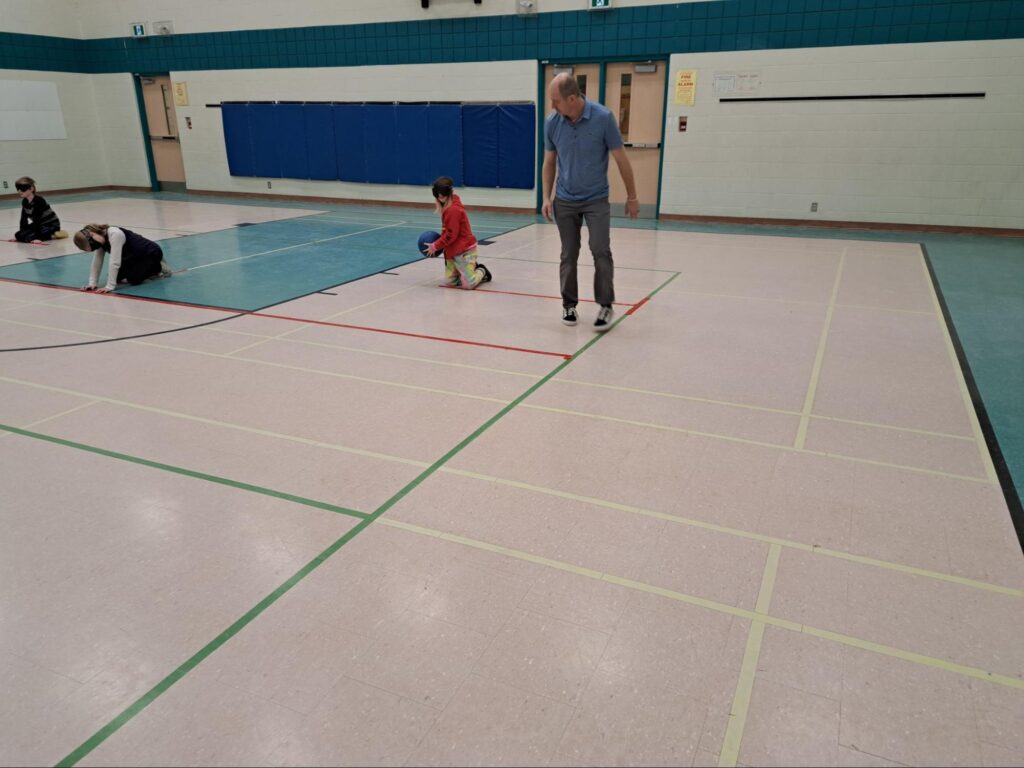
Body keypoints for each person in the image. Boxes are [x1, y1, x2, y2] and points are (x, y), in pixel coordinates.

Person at [541, 73, 639, 332]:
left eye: (556, 100)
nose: (553, 106)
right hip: (565, 199)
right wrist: (546, 197)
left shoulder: (603, 118)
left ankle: (605, 304)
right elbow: (549, 162)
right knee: (568, 254)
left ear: (572, 98)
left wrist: (632, 196)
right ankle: (569, 304)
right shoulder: (552, 123)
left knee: (600, 250)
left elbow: (621, 159)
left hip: (596, 199)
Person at [424, 176, 492, 289]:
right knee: (450, 282)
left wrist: (435, 245)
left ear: (449, 192)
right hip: (452, 251)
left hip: (465, 251)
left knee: (468, 284)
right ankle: (464, 272)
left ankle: (481, 270)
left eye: (443, 193)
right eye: (437, 193)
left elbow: (451, 235)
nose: (440, 196)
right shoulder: (447, 206)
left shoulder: (453, 210)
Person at [73, 224, 173, 293]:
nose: (96, 247)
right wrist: (92, 283)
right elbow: (97, 261)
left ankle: (158, 267)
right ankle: (142, 268)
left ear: (92, 234)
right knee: (115, 277)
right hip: (131, 257)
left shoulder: (114, 234)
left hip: (149, 253)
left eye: (94, 245)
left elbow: (115, 262)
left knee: (134, 279)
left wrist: (109, 286)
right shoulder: (99, 240)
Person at [14, 177, 67, 243]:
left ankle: (53, 234)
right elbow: (23, 219)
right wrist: (22, 232)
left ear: (31, 189)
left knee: (29, 237)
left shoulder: (39, 201)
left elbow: (37, 220)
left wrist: (38, 238)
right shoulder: (25, 202)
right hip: (41, 225)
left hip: (51, 225)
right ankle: (46, 235)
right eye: (18, 189)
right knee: (17, 235)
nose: (19, 191)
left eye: (22, 189)